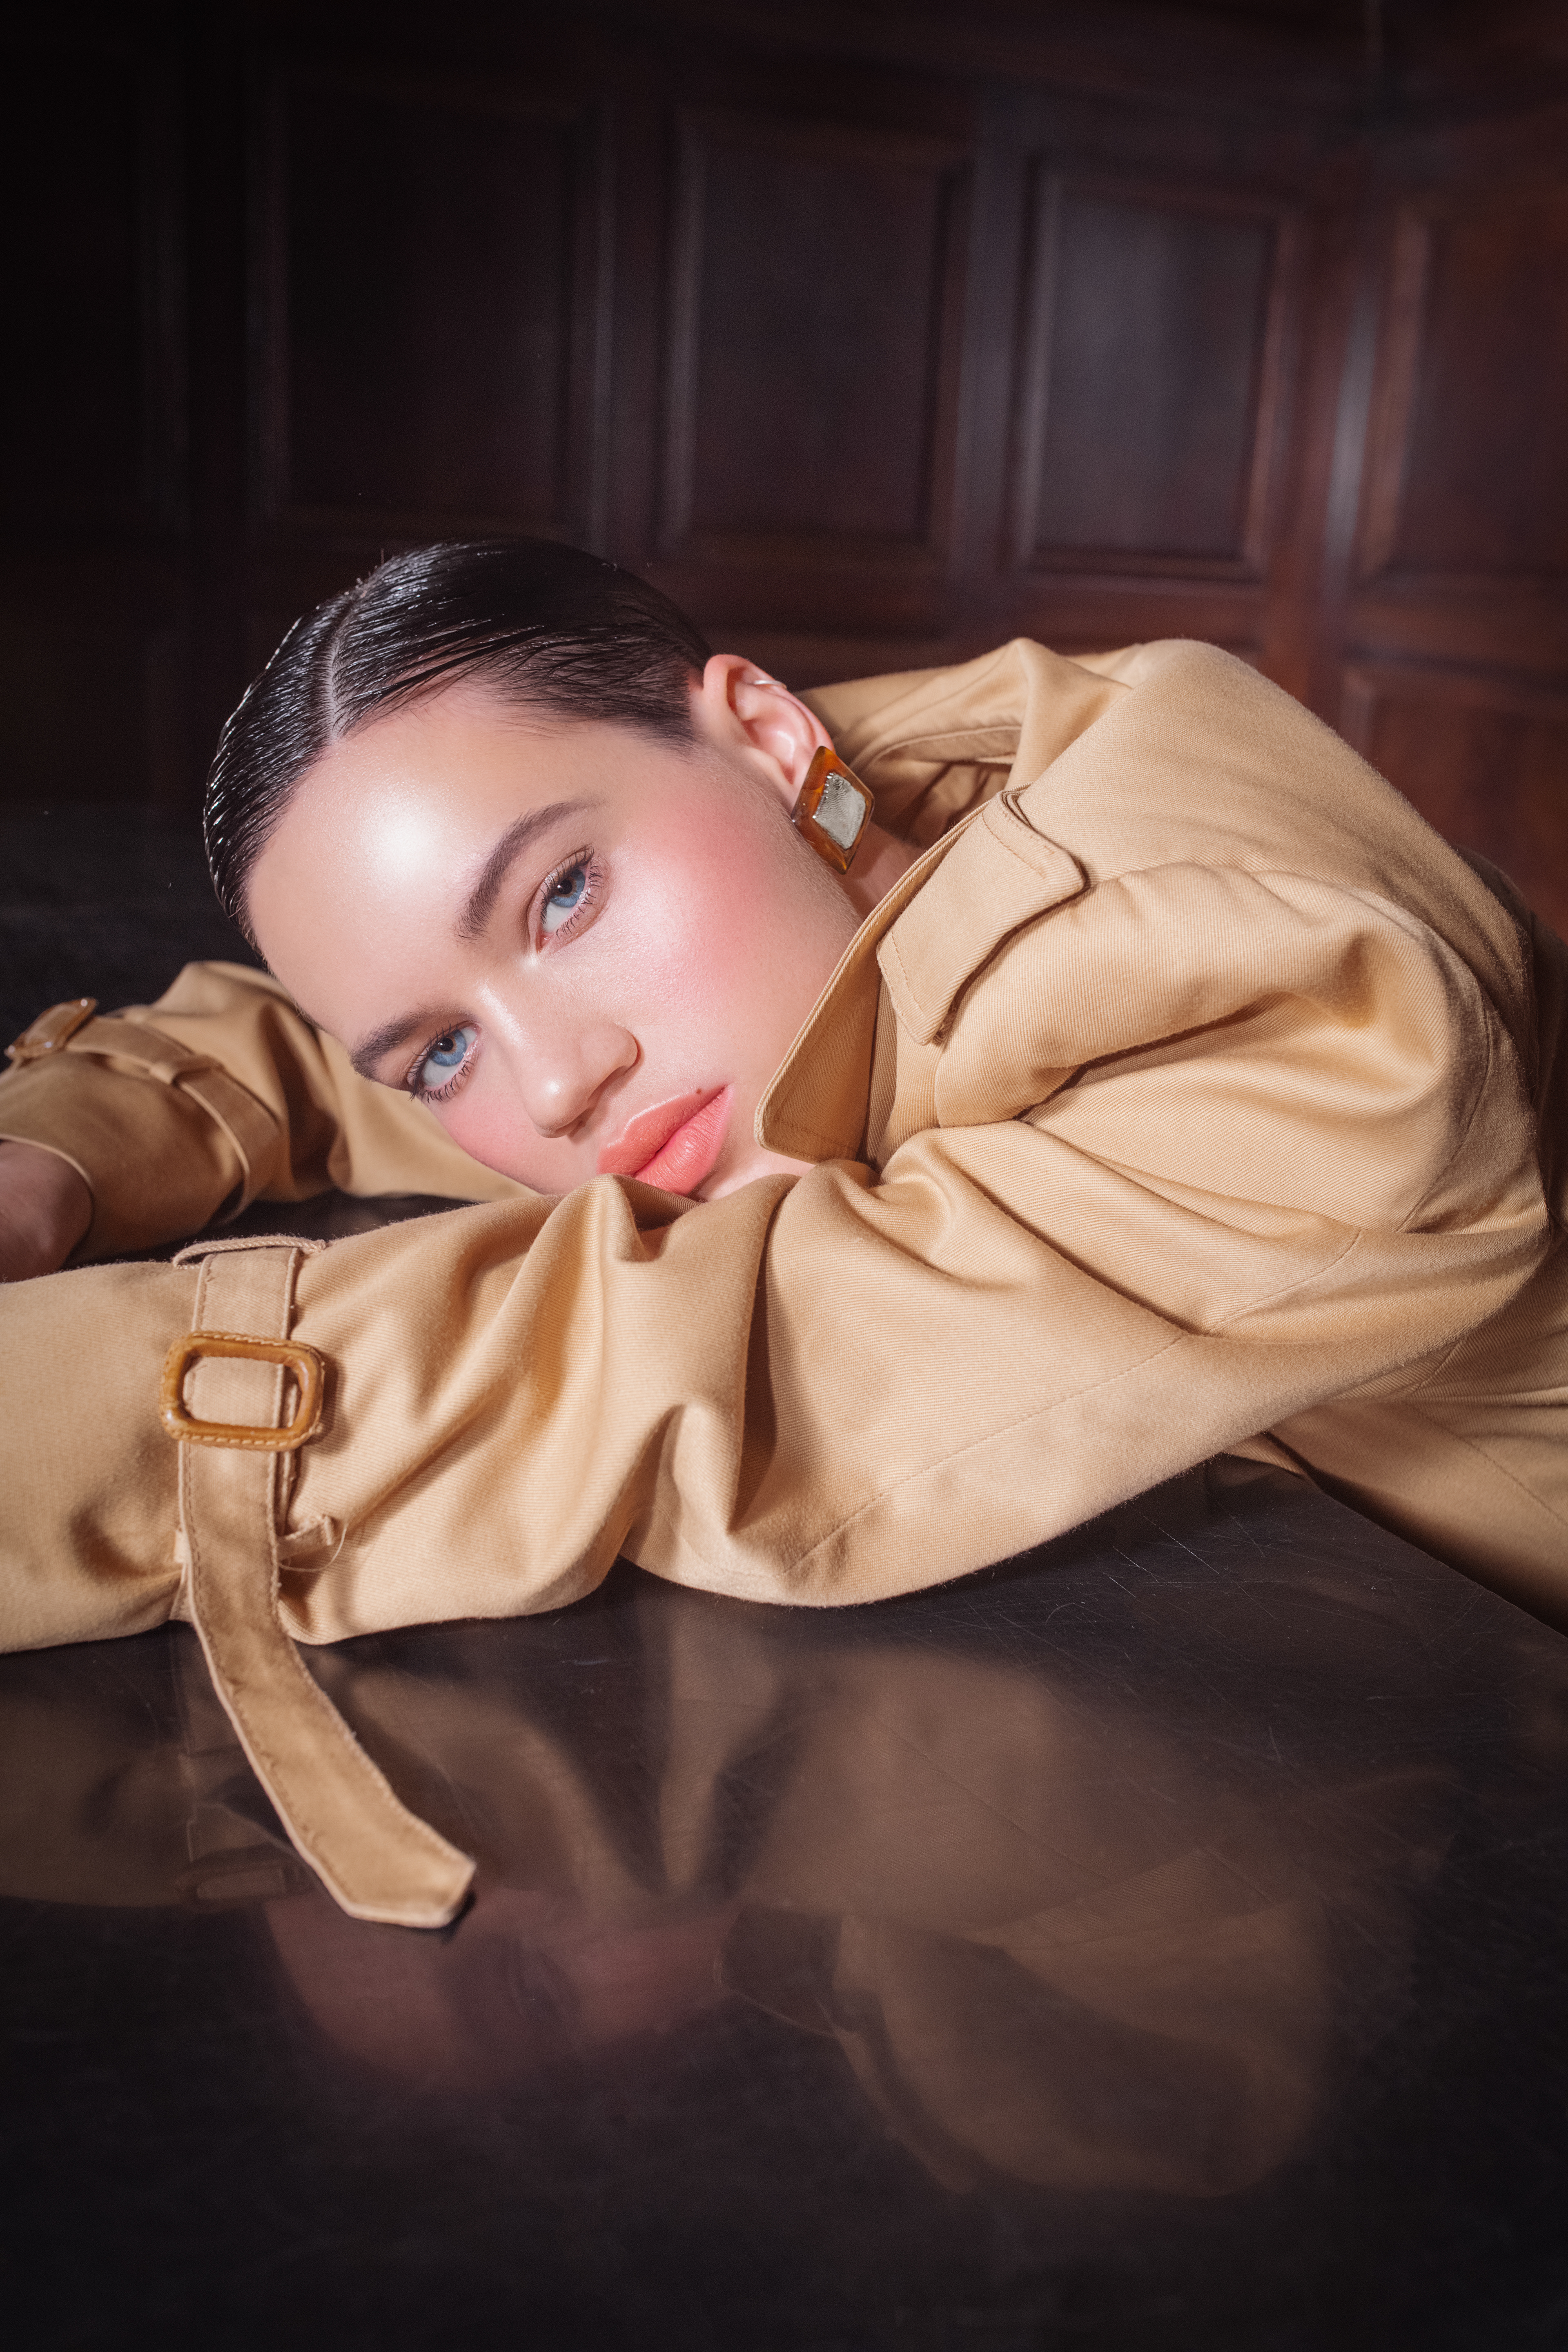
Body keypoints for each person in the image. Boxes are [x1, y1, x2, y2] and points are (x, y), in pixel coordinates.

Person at [1, 539, 1563, 1928]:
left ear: (762, 729)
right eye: (448, 1053)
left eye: (561, 899)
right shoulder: (779, 835)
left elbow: (696, 1363)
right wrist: (50, 1150)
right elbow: (306, 1038)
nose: (559, 1082)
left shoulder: (1281, 997)